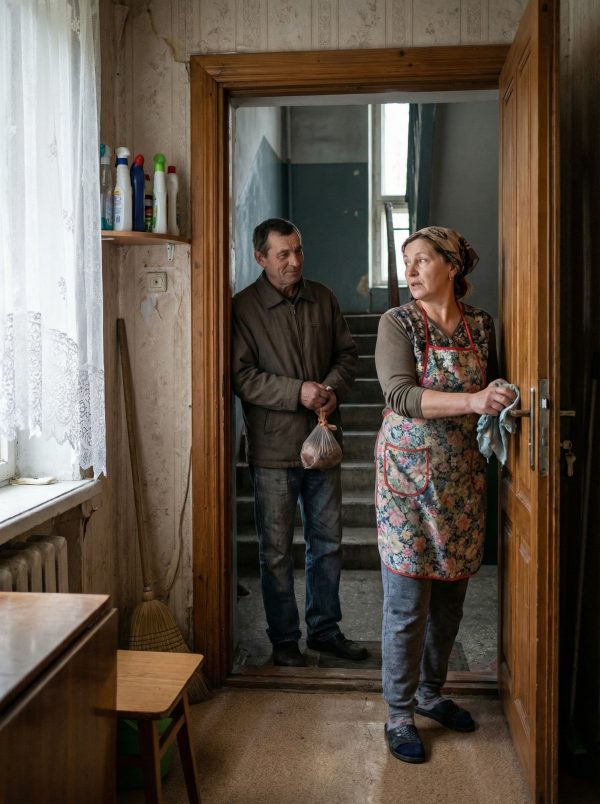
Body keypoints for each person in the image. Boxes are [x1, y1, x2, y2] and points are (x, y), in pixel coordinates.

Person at [374, 226, 515, 763]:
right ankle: (398, 714)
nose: (409, 271)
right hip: (408, 482)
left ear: (452, 267)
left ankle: (430, 695)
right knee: (408, 603)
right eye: (406, 261)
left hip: (461, 479)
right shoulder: (398, 322)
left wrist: (497, 393)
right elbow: (401, 395)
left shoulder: (481, 326)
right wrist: (474, 400)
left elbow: (493, 386)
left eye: (421, 260)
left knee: (451, 599)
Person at [232, 217, 369, 667]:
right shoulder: (242, 308)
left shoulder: (323, 298)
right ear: (260, 258)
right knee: (275, 551)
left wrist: (330, 388)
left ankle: (325, 631)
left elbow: (347, 355)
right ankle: (285, 639)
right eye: (283, 254)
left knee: (327, 543)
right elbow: (242, 377)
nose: (294, 261)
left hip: (323, 443)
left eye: (298, 250)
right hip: (273, 450)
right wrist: (298, 392)